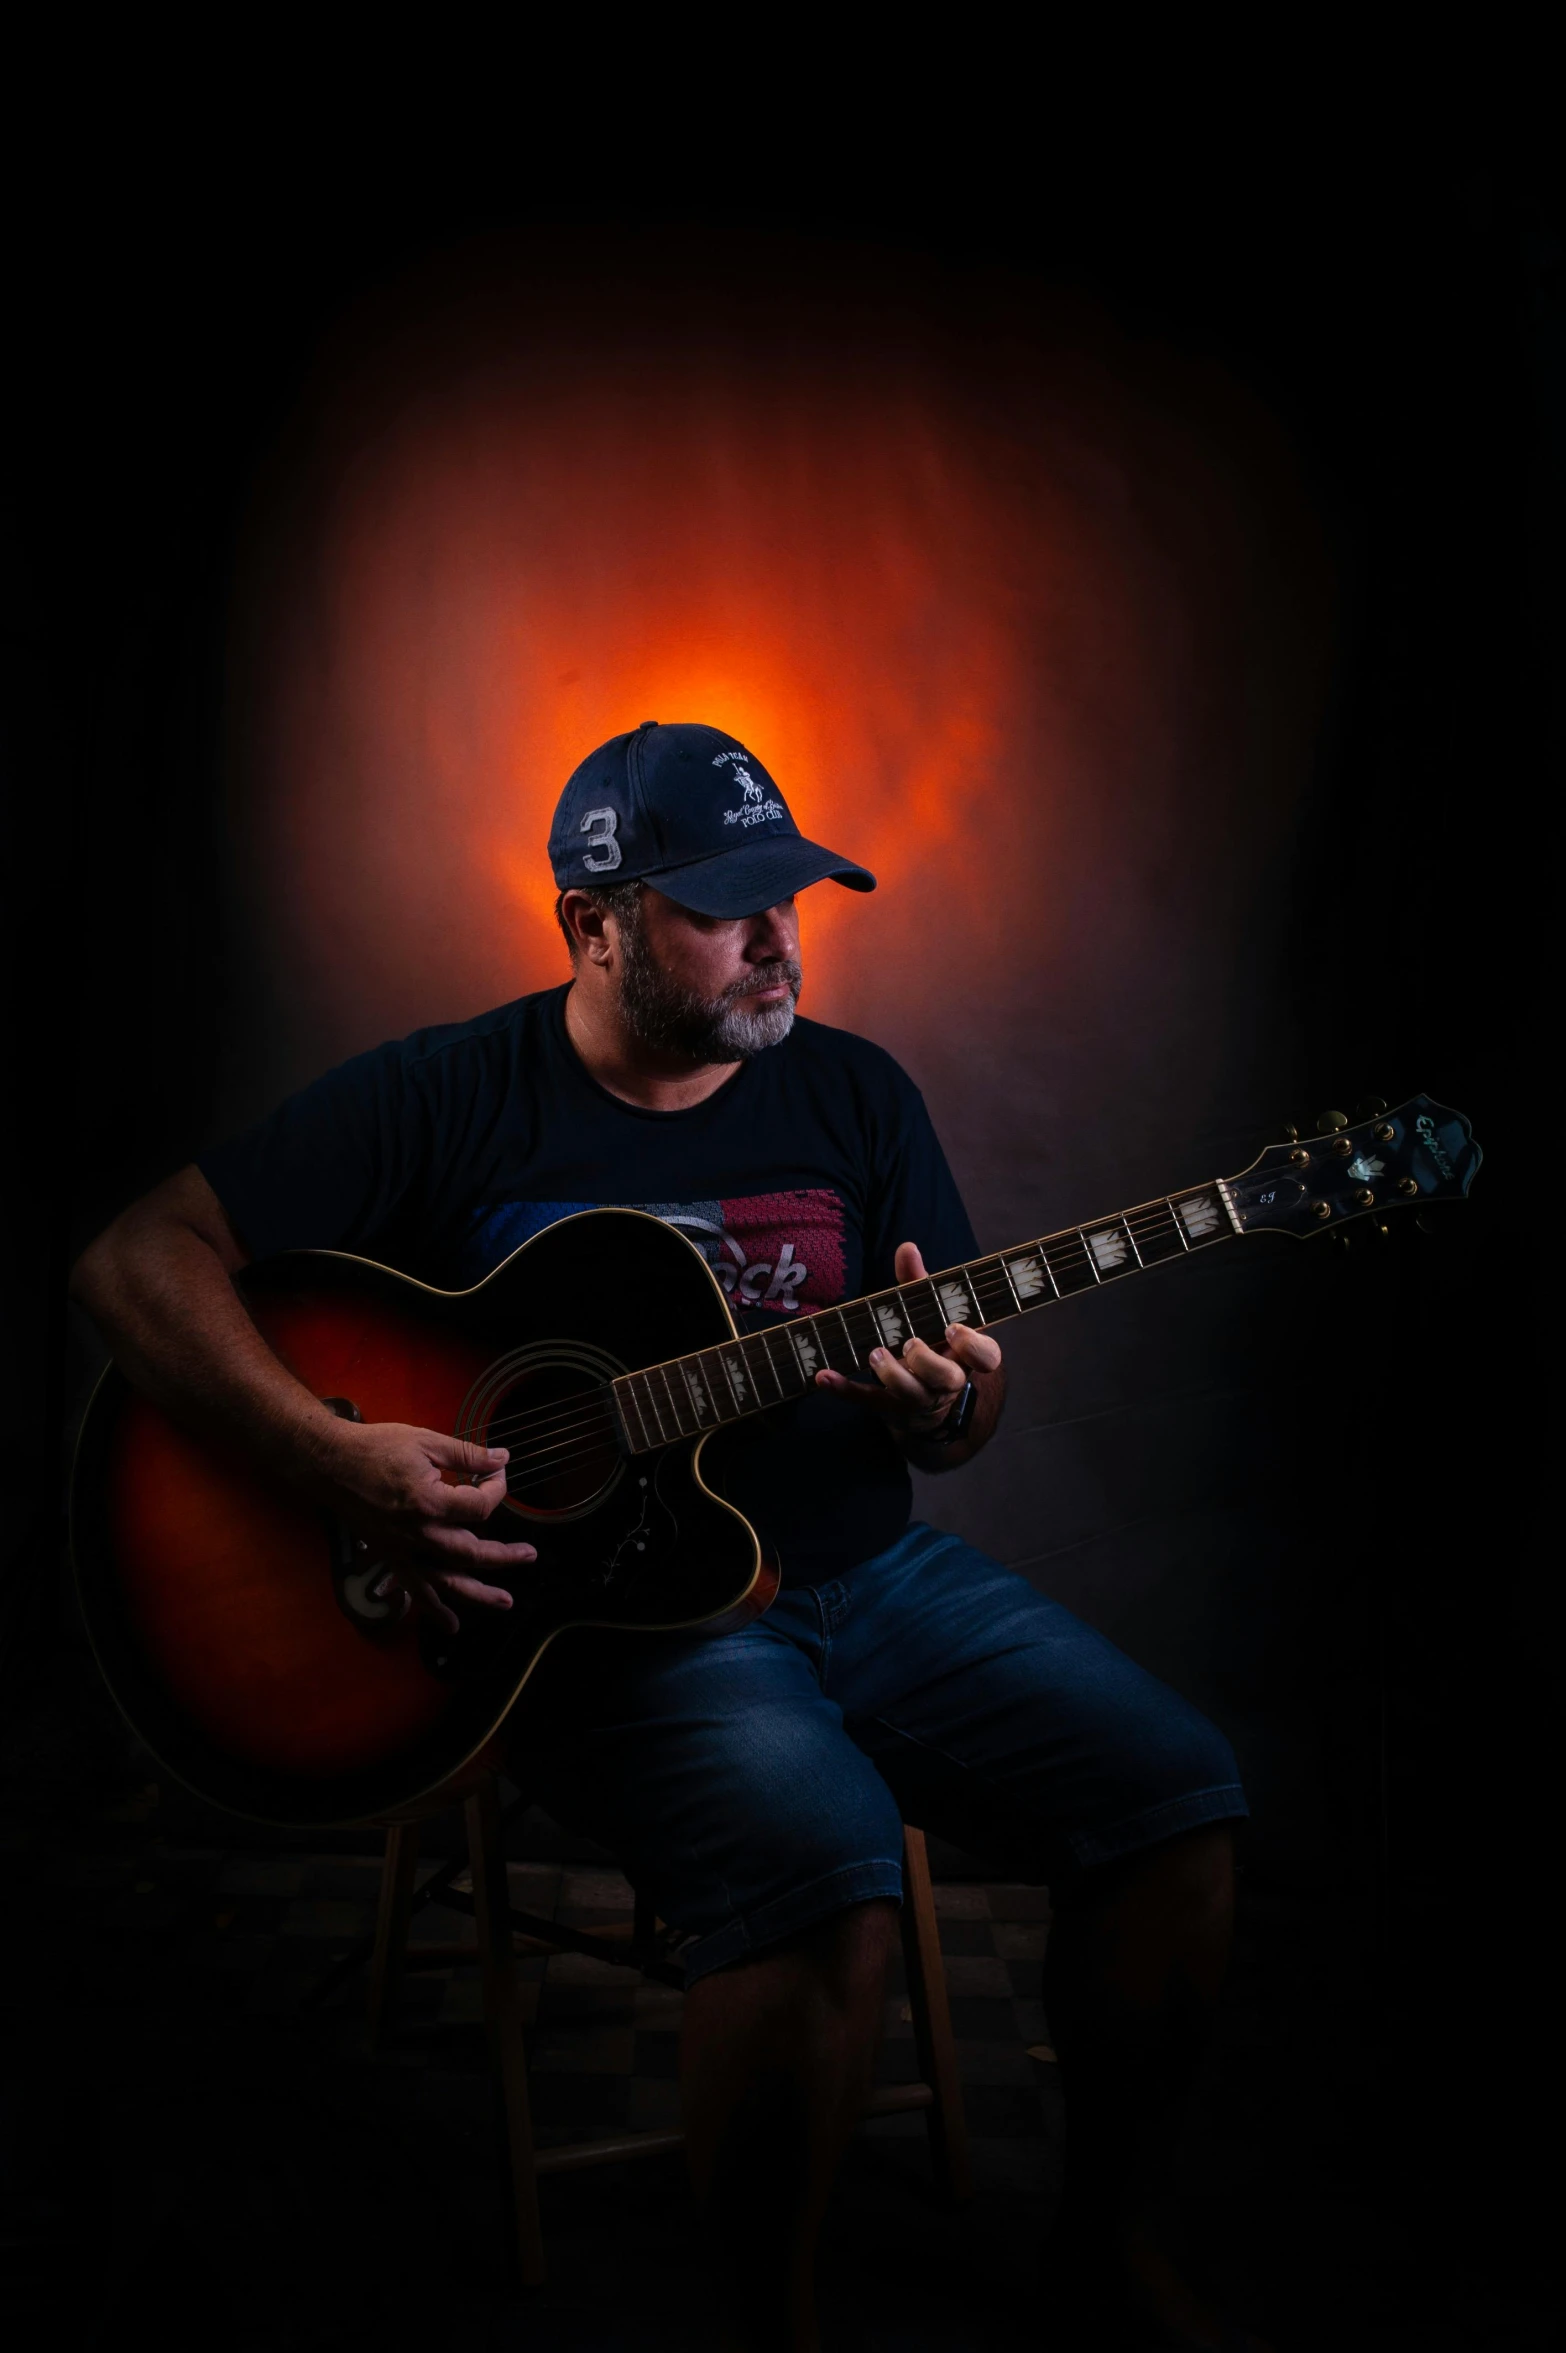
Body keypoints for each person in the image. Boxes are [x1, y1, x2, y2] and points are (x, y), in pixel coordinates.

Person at [73, 722, 1258, 2352]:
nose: (779, 941)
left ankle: (1100, 2253)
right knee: (820, 1868)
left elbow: (965, 1412)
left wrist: (943, 1408)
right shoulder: (451, 1092)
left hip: (872, 1574)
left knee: (1177, 1796)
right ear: (594, 923)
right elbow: (134, 1260)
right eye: (725, 908)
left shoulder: (854, 1091)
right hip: (624, 1630)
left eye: (791, 898)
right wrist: (332, 1464)